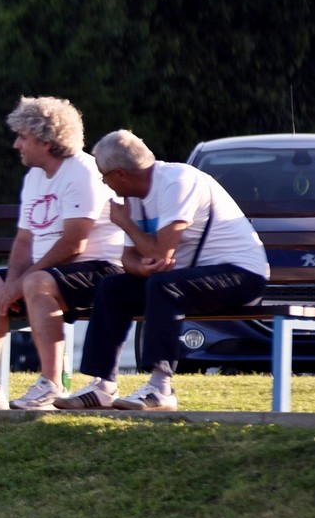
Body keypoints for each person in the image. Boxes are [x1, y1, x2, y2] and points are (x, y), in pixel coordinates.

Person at [55, 129, 268, 411]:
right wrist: (143, 268)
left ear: (120, 174)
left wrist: (127, 226)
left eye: (102, 176)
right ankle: (102, 385)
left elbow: (159, 253)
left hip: (241, 276)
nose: (103, 183)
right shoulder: (133, 198)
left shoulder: (178, 182)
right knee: (113, 287)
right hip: (183, 279)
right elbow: (129, 258)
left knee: (164, 286)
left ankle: (161, 388)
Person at [0, 97, 125, 410]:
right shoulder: (34, 178)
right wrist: (10, 283)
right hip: (50, 272)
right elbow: (24, 241)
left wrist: (21, 283)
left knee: (36, 283)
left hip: (101, 270)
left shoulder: (84, 172)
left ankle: (50, 385)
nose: (16, 145)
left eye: (23, 138)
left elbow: (73, 244)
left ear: (47, 141)